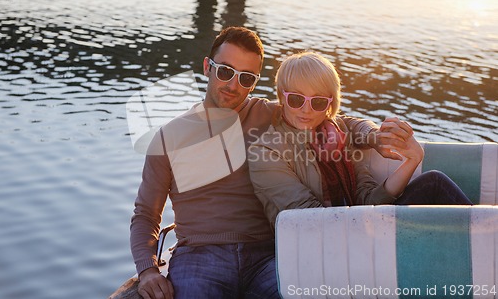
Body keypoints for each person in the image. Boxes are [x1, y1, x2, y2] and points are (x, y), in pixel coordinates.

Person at [130, 28, 412, 299]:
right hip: (201, 256)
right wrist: (147, 270)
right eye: (225, 71)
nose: (232, 85)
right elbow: (146, 215)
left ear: (254, 83)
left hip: (269, 255)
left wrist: (373, 136)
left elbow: (336, 119)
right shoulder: (168, 137)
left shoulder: (270, 114)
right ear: (207, 67)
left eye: (246, 78)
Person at [248, 51, 472, 230]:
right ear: (281, 96)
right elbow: (309, 218)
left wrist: (410, 160)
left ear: (330, 104)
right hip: (317, 244)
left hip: (360, 227)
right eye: (296, 99)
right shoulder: (267, 151)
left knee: (434, 182)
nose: (306, 109)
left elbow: (369, 201)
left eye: (317, 102)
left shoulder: (337, 133)